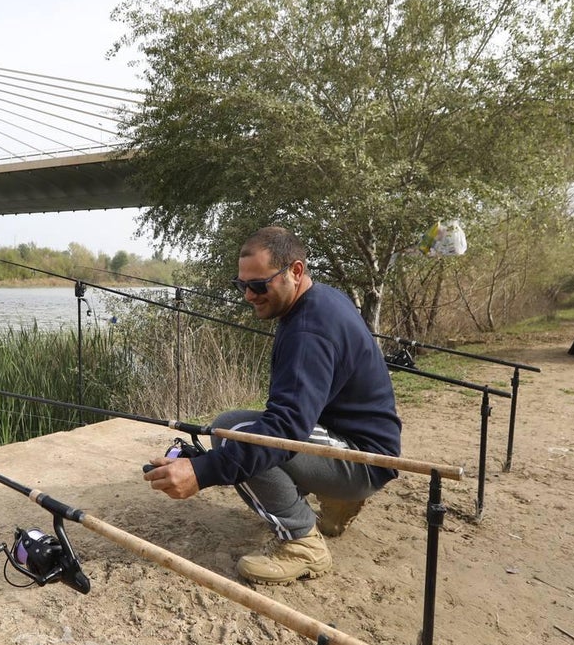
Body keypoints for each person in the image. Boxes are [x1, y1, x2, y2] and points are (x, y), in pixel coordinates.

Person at [143, 226, 401, 584]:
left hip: (364, 460)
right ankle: (339, 498)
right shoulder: (320, 299)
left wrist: (202, 472)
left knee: (234, 433)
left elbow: (284, 430)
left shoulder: (309, 331)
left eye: (259, 285)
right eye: (242, 285)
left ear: (295, 271)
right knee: (236, 427)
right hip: (354, 445)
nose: (249, 295)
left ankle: (302, 543)